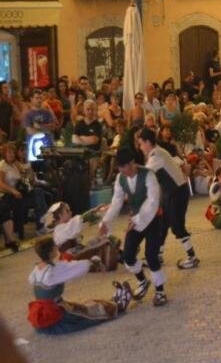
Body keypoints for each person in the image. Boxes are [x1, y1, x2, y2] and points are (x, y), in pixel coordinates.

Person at [98, 148, 168, 306]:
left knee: (151, 256)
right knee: (127, 256)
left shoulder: (149, 175)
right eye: (121, 169)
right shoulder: (120, 178)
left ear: (132, 163)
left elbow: (152, 202)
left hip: (153, 219)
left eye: (127, 167)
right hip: (136, 220)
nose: (125, 171)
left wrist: (136, 220)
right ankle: (142, 281)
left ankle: (160, 291)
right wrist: (106, 222)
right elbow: (116, 202)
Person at [27, 237, 133, 334]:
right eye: (55, 246)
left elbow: (65, 266)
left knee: (83, 307)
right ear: (50, 252)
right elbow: (76, 268)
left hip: (44, 310)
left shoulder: (37, 268)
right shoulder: (52, 272)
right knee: (87, 315)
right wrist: (92, 262)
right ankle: (118, 307)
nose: (57, 247)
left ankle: (111, 303)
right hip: (54, 314)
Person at [138, 129, 200, 269]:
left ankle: (192, 257)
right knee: (163, 224)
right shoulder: (159, 152)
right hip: (171, 192)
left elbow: (145, 174)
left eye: (141, 144)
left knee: (177, 226)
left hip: (176, 193)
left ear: (148, 142)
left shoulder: (156, 155)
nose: (140, 148)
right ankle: (157, 255)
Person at [43, 202, 119, 270]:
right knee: (100, 243)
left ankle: (113, 253)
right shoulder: (60, 229)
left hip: (74, 252)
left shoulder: (64, 226)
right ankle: (114, 255)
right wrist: (95, 211)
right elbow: (81, 220)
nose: (71, 212)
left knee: (96, 242)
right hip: (70, 257)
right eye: (67, 211)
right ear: (60, 216)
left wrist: (97, 213)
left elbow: (81, 223)